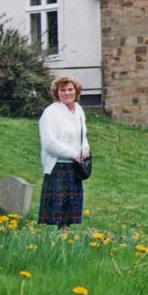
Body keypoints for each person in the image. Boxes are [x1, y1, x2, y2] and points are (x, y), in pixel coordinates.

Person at [38, 75, 90, 230]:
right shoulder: (50, 113)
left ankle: (66, 242)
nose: (67, 93)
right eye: (63, 90)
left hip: (75, 168)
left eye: (70, 89)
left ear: (76, 91)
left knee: (69, 216)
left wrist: (85, 148)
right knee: (59, 214)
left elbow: (82, 135)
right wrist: (73, 153)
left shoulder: (79, 111)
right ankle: (58, 244)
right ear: (57, 93)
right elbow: (50, 144)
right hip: (57, 167)